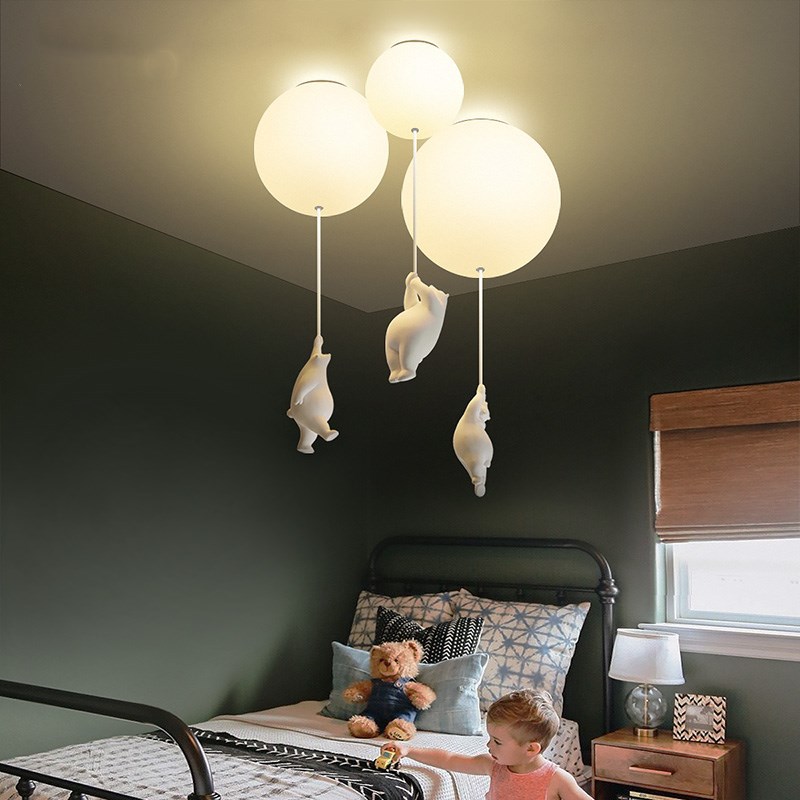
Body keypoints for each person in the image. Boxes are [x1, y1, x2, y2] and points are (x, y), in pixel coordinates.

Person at [384, 688, 592, 800]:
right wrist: (408, 750)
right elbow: (449, 759)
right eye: (491, 738)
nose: (488, 746)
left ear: (531, 748)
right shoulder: (494, 766)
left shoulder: (556, 779)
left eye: (497, 741)